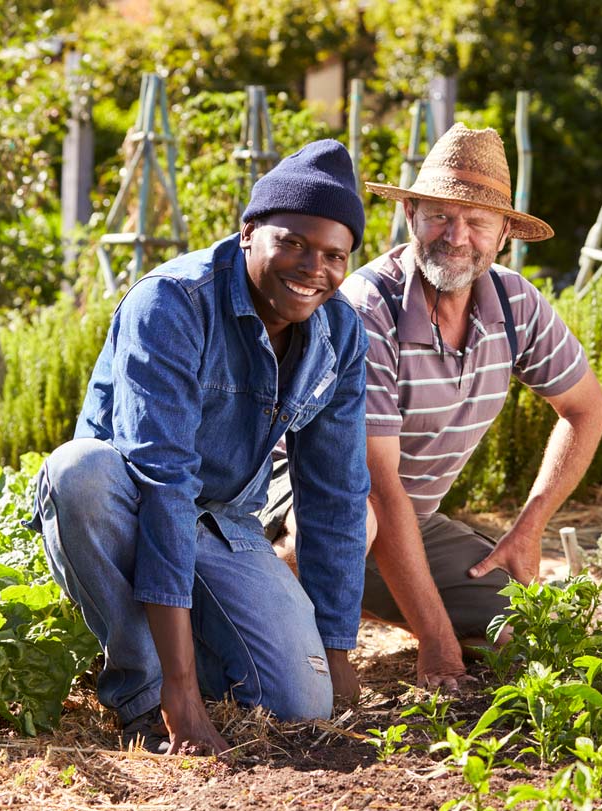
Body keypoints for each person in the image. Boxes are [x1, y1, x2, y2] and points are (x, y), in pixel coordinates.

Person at [31, 139, 371, 756]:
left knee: (301, 703)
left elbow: (337, 495)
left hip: (224, 521)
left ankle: (188, 646)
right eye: (291, 243)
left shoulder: (339, 336)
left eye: (333, 255)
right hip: (128, 505)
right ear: (249, 233)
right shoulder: (174, 302)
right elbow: (163, 482)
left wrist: (338, 655)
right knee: (75, 471)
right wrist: (178, 693)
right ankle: (142, 691)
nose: (311, 268)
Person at [259, 124, 602, 691]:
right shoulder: (365, 309)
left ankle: (355, 600)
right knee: (356, 519)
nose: (457, 236)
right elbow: (374, 486)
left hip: (406, 521)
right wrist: (437, 642)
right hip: (302, 499)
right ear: (411, 217)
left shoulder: (517, 304)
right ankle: (246, 613)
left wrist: (527, 527)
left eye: (477, 222)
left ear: (503, 237)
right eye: (439, 216)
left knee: (525, 625)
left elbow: (586, 408)